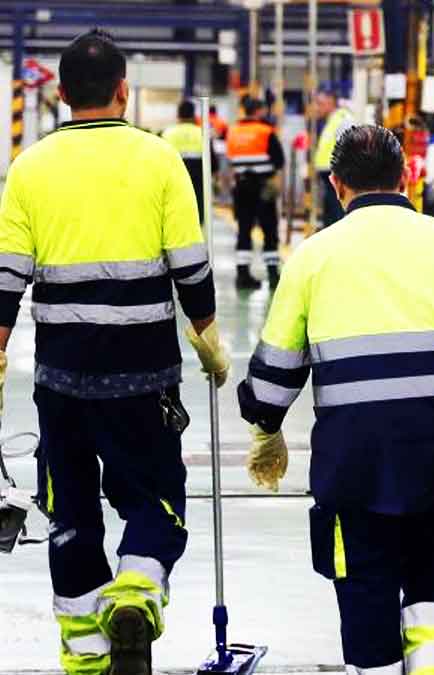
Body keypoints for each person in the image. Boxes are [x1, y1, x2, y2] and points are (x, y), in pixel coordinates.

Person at [236, 124, 434, 675]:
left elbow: (276, 370)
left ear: (336, 184)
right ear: (408, 177)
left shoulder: (314, 257)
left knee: (365, 584)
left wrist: (265, 424)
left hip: (356, 463)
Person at [0, 29, 229, 675]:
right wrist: (209, 338)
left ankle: (87, 658)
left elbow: (6, 281)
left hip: (62, 381)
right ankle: (135, 592)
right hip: (144, 376)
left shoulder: (30, 166)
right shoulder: (158, 160)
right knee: (156, 500)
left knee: (70, 513)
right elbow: (191, 268)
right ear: (124, 90)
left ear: (62, 94)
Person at [226, 97, 285, 290]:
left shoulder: (233, 131)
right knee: (269, 231)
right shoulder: (265, 131)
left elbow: (230, 158)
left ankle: (242, 275)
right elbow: (279, 161)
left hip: (241, 187)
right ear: (259, 111)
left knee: (244, 230)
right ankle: (272, 275)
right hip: (263, 189)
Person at [161, 99, 211, 224]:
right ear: (194, 114)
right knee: (198, 196)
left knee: (174, 198)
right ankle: (197, 221)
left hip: (174, 171)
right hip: (198, 171)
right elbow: (211, 158)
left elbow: (160, 156)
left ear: (178, 114)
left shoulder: (168, 132)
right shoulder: (201, 132)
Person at [313, 89, 355, 228]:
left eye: (320, 103)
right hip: (330, 176)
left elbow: (348, 147)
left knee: (336, 213)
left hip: (337, 175)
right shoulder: (332, 120)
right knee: (330, 212)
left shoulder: (343, 119)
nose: (316, 107)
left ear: (331, 102)